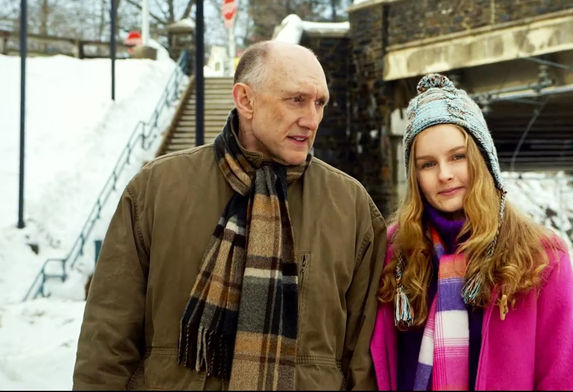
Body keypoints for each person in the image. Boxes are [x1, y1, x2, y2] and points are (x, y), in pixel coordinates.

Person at [73, 40, 387, 390]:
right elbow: (107, 341)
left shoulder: (350, 205)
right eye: (296, 99)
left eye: (320, 103)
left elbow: (364, 360)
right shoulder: (156, 190)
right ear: (245, 99)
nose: (311, 119)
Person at [369, 74, 573, 390]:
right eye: (427, 164)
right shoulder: (393, 252)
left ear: (483, 159)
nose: (445, 174)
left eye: (457, 156)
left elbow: (565, 378)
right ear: (414, 176)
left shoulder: (540, 256)